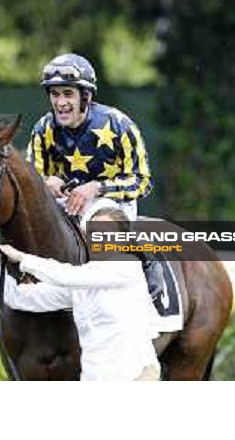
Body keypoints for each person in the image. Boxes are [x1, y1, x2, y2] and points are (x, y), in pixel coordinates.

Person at [0, 208, 161, 382]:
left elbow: (65, 275)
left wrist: (23, 258)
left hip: (138, 379)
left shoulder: (127, 265)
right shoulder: (81, 282)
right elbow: (18, 297)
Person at [25, 52, 162, 296]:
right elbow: (29, 180)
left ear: (85, 97)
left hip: (111, 204)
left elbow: (142, 182)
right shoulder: (43, 128)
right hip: (64, 203)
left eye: (68, 94)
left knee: (98, 227)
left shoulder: (120, 125)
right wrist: (46, 182)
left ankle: (146, 264)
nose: (60, 102)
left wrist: (96, 188)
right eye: (55, 94)